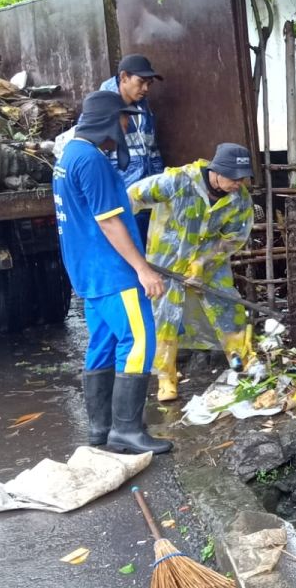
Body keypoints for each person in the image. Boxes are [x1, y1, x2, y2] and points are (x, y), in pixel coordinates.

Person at [53, 91, 171, 455]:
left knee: (103, 343)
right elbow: (109, 222)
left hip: (88, 272)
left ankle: (100, 427)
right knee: (137, 341)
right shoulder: (91, 161)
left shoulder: (69, 155)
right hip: (113, 271)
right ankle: (126, 430)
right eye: (123, 118)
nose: (126, 124)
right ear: (107, 119)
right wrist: (142, 268)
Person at [129, 143, 255, 402]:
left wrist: (204, 262)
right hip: (167, 261)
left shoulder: (239, 198)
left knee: (227, 305)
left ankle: (243, 361)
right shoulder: (177, 181)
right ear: (216, 171)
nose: (238, 183)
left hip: (210, 262)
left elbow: (235, 237)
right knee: (164, 315)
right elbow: (131, 197)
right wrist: (126, 242)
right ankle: (165, 376)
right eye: (233, 177)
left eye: (242, 178)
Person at [53, 54, 165, 243]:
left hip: (147, 198)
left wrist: (160, 184)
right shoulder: (102, 106)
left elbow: (151, 148)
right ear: (124, 77)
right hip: (121, 200)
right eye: (141, 82)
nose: (145, 89)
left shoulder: (143, 106)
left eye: (149, 83)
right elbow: (92, 150)